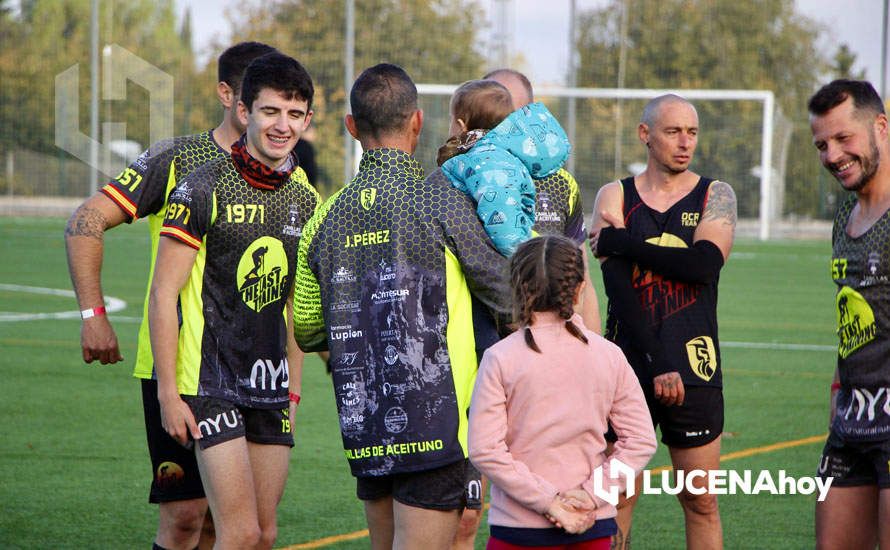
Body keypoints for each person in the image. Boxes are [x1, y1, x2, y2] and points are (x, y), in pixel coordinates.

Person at [64, 41, 278, 550]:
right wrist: (93, 314)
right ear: (229, 95)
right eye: (257, 97)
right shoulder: (178, 158)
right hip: (180, 368)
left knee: (234, 526)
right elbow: (85, 220)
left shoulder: (283, 172)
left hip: (253, 371)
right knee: (185, 516)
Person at [293, 63, 512, 550]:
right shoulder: (443, 199)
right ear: (417, 122)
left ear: (351, 127)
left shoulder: (326, 216)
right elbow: (507, 296)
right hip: (439, 424)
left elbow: (307, 328)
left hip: (364, 420)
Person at [148, 52, 318, 549]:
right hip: (210, 381)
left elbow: (293, 304)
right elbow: (163, 294)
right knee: (238, 533)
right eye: (270, 111)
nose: (282, 125)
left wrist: (294, 387)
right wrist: (167, 394)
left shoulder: (305, 198)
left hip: (271, 384)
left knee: (263, 534)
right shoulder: (200, 186)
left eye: (293, 114)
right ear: (244, 111)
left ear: (307, 120)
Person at [590, 94, 736, 550]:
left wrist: (623, 242)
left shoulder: (717, 194)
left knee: (701, 501)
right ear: (645, 134)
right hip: (628, 367)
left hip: (696, 366)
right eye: (673, 131)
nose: (685, 142)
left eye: (692, 132)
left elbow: (702, 266)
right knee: (615, 498)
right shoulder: (613, 195)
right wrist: (656, 362)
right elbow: (617, 288)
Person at [469, 235, 656, 549]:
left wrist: (550, 501)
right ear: (581, 288)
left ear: (517, 289)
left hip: (518, 529)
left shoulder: (500, 357)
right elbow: (641, 440)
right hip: (591, 524)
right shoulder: (608, 355)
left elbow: (485, 449)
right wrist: (592, 494)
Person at [808, 79, 890, 550]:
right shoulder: (844, 214)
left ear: (880, 127)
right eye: (822, 144)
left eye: (844, 138)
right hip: (851, 421)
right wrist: (839, 390)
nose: (833, 155)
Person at [483, 68, 600, 333]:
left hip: (553, 350)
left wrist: (594, 351)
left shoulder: (562, 183)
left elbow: (583, 280)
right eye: (496, 114)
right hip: (488, 353)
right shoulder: (463, 182)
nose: (505, 126)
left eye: (512, 113)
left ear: (531, 114)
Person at [437, 79, 571, 257]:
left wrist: (521, 260)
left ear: (462, 125)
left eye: (450, 119)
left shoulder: (490, 163)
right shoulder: (490, 156)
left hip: (508, 267)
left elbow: (504, 223)